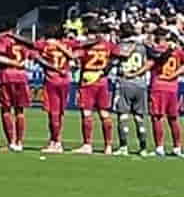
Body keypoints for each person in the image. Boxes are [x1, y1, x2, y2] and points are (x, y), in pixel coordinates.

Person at [74, 23, 121, 155]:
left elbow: (77, 57)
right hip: (102, 79)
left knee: (87, 113)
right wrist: (106, 70)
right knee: (104, 113)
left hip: (88, 78)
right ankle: (108, 146)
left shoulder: (86, 47)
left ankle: (87, 144)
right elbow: (117, 56)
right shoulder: (108, 45)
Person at [34, 26, 77, 153]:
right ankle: (56, 140)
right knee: (60, 113)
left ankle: (56, 142)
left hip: (52, 80)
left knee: (53, 113)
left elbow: (34, 49)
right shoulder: (68, 44)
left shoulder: (44, 45)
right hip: (65, 80)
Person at [114, 22, 152, 156]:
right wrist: (138, 73)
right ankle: (143, 148)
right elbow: (150, 62)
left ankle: (123, 147)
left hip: (124, 82)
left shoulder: (119, 46)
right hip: (140, 84)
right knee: (139, 117)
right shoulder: (142, 47)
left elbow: (116, 59)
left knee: (123, 115)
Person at [146, 27, 184, 157]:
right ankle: (177, 148)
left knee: (157, 118)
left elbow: (152, 61)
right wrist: (174, 75)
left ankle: (159, 147)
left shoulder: (156, 50)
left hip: (158, 86)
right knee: (174, 119)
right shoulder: (177, 51)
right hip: (173, 87)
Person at [0, 27, 33, 152]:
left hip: (7, 75)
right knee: (20, 111)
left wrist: (13, 63)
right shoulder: (22, 41)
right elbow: (29, 55)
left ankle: (11, 142)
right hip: (21, 76)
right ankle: (19, 142)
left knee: (6, 110)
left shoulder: (2, 39)